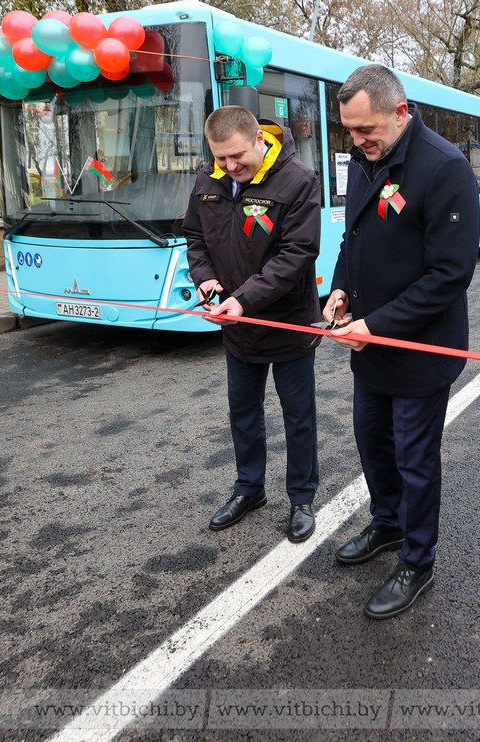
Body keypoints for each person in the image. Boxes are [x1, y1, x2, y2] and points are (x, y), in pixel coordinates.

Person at [323, 64, 479, 619]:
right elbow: (353, 236)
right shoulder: (365, 162)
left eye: (367, 130)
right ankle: (387, 525)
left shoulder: (444, 168)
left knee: (415, 459)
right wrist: (340, 289)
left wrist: (379, 324)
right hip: (368, 341)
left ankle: (418, 559)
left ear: (400, 111)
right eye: (350, 131)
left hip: (419, 347)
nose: (358, 141)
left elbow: (451, 273)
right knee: (373, 443)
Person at [184, 106, 321, 543]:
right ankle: (249, 490)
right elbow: (195, 239)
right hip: (236, 325)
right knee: (243, 414)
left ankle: (301, 499)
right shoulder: (209, 180)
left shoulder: (298, 180)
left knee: (298, 416)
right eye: (220, 159)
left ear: (259, 140)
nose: (229, 168)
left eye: (237, 157)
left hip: (287, 323)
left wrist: (243, 299)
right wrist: (205, 280)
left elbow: (297, 255)